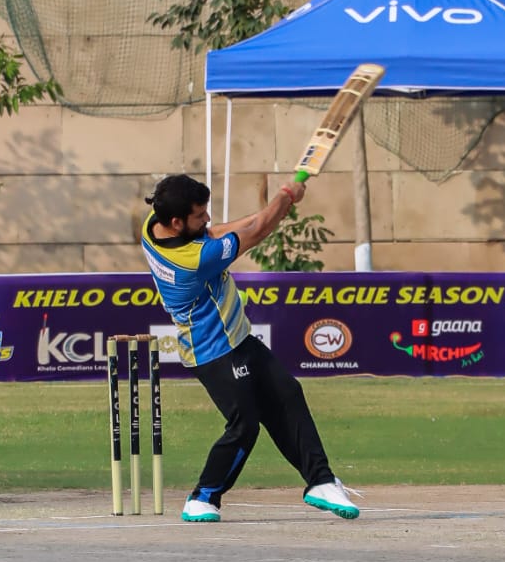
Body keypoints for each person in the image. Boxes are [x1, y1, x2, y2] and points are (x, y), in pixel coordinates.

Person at [141, 173, 359, 524]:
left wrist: (270, 212)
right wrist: (286, 196)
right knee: (245, 425)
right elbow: (256, 232)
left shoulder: (155, 223)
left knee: (287, 393)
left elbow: (222, 230)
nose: (207, 219)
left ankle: (320, 481)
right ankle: (203, 497)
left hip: (236, 338)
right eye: (199, 215)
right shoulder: (194, 260)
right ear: (177, 222)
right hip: (212, 350)